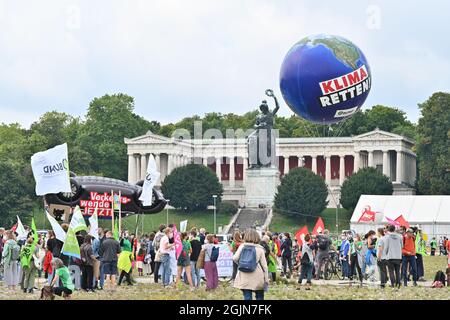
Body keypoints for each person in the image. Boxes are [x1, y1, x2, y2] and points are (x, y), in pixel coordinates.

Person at [233, 229, 269, 300]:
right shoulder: (260, 249)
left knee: (247, 296)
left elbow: (234, 258)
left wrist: (241, 264)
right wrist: (266, 279)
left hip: (244, 274)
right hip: (257, 275)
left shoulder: (242, 246)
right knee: (259, 296)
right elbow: (264, 266)